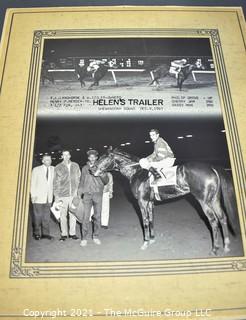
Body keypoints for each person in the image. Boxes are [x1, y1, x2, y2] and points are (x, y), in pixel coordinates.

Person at [78, 149, 109, 247]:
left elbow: (106, 181)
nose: (92, 158)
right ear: (88, 158)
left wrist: (101, 173)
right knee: (85, 217)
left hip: (97, 194)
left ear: (96, 158)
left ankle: (95, 236)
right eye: (90, 157)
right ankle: (84, 238)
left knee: (97, 217)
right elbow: (81, 182)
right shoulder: (84, 168)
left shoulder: (101, 167)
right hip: (87, 195)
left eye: (94, 157)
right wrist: (79, 194)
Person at [53, 150, 81, 241]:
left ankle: (72, 233)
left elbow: (79, 179)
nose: (65, 156)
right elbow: (55, 183)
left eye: (67, 155)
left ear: (70, 156)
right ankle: (64, 234)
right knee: (62, 215)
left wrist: (77, 193)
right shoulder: (58, 167)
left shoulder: (75, 165)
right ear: (62, 156)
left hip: (73, 195)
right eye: (64, 155)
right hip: (62, 195)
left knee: (73, 214)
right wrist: (56, 196)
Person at [30, 154, 54, 240]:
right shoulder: (36, 170)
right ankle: (36, 233)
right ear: (43, 161)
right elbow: (32, 183)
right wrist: (33, 195)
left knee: (46, 217)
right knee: (37, 217)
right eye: (47, 159)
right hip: (38, 198)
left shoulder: (53, 169)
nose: (49, 161)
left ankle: (45, 234)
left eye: (50, 159)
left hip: (48, 198)